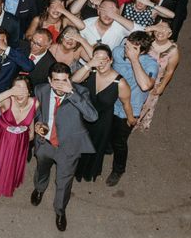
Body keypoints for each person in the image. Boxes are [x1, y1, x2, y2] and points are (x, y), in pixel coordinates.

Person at [30, 62, 98, 232]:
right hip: (45, 143)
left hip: (68, 148)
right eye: (56, 81)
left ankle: (60, 210)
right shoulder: (40, 89)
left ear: (70, 80)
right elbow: (36, 112)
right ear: (49, 80)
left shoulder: (80, 92)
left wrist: (72, 93)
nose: (60, 85)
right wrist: (37, 124)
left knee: (64, 181)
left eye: (64, 80)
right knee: (41, 169)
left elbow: (92, 117)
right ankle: (39, 189)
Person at [71, 44, 132, 182]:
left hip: (102, 121)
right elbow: (73, 80)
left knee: (94, 146)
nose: (100, 62)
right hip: (83, 116)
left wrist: (130, 119)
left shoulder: (120, 83)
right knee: (79, 143)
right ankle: (75, 169)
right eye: (97, 59)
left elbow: (126, 104)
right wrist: (89, 65)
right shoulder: (90, 72)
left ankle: (88, 172)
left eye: (104, 59)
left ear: (111, 60)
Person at [107, 31, 159, 187]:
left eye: (132, 47)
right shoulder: (117, 51)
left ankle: (118, 170)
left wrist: (134, 60)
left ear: (142, 51)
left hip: (129, 109)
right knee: (107, 131)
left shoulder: (150, 64)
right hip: (111, 102)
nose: (126, 48)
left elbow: (145, 85)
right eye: (127, 44)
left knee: (120, 142)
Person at [0, 75, 38, 196]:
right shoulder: (7, 101)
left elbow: (31, 116)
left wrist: (31, 131)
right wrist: (9, 92)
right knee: (0, 161)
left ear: (29, 91)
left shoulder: (35, 103)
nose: (19, 93)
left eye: (23, 89)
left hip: (21, 139)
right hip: (3, 137)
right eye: (16, 89)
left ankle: (10, 181)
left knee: (13, 162)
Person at [135, 21, 179, 130]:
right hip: (138, 75)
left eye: (164, 30)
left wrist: (162, 86)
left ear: (170, 34)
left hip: (155, 81)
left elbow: (169, 71)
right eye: (158, 28)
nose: (160, 32)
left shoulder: (173, 50)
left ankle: (137, 123)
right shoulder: (147, 41)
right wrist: (154, 27)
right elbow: (138, 34)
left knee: (147, 104)